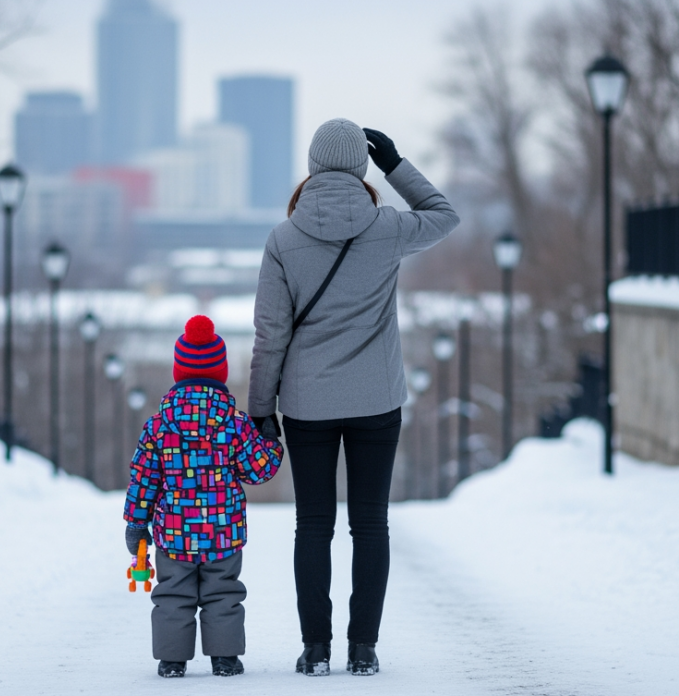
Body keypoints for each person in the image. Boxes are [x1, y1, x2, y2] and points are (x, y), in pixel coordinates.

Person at [248, 119, 460, 676]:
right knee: (370, 524)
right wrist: (395, 164)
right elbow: (444, 215)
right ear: (362, 167)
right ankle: (362, 648)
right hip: (375, 401)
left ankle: (315, 648)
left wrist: (259, 409)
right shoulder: (387, 228)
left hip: (307, 404)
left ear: (313, 164)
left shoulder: (284, 239)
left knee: (312, 525)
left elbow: (270, 334)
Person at [124, 315, 284, 678]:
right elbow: (259, 469)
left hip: (173, 532)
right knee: (223, 592)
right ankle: (225, 658)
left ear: (178, 372)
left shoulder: (159, 425)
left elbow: (143, 478)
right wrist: (270, 439)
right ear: (221, 372)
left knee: (173, 594)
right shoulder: (234, 422)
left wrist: (137, 524)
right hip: (223, 531)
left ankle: (172, 660)